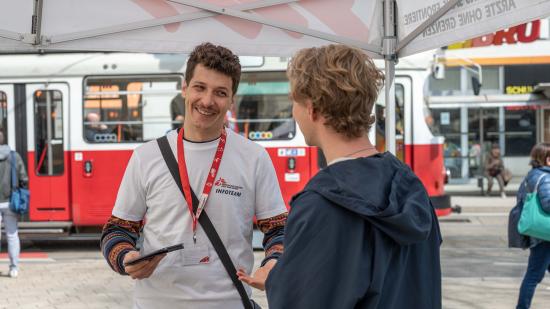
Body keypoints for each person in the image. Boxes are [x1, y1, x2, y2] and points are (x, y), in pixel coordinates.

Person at [244, 44, 442, 308]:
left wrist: (279, 280)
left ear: (312, 109)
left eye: (293, 101)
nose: (293, 112)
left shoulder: (321, 204)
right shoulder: (412, 188)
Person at [100, 42, 287, 308]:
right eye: (200, 87)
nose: (208, 101)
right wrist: (126, 258)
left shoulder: (254, 157)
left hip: (228, 302)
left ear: (232, 99)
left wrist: (273, 262)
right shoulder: (146, 156)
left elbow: (279, 229)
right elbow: (117, 229)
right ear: (185, 88)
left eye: (220, 92)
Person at [512, 143, 550, 309]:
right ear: (547, 160)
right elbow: (548, 203)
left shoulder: (531, 176)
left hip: (539, 233)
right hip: (545, 234)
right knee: (534, 275)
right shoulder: (545, 177)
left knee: (534, 274)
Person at [0, 131, 28, 278]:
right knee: (12, 235)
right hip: (11, 201)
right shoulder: (14, 156)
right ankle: (14, 268)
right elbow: (24, 178)